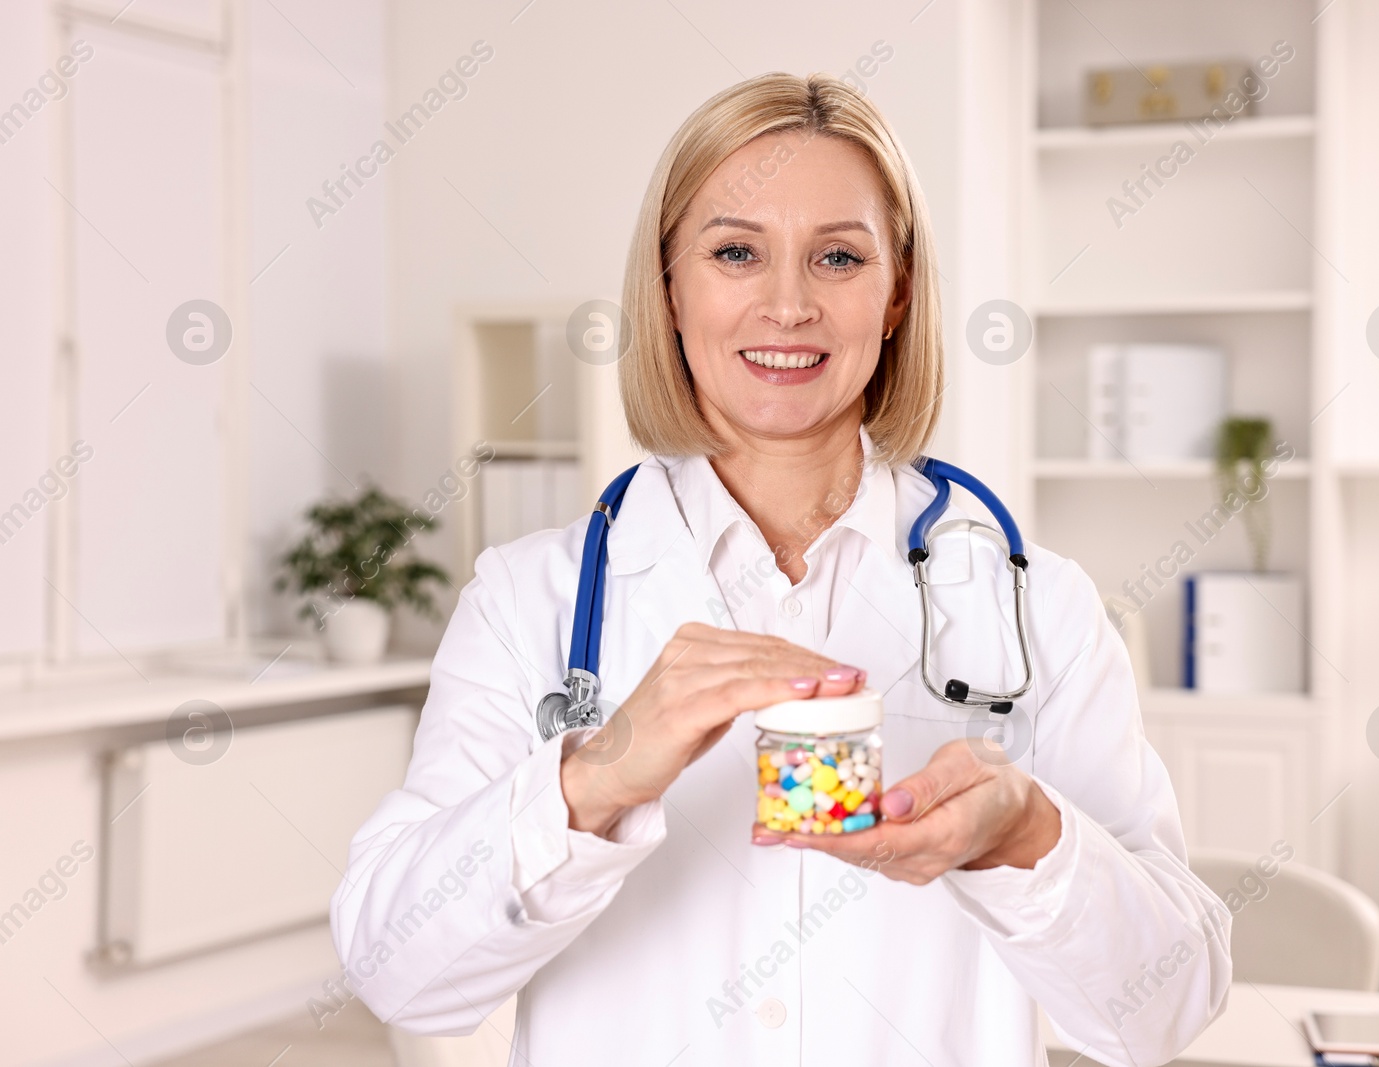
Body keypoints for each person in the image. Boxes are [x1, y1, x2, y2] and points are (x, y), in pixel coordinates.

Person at [332, 71, 1230, 1066]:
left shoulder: (1037, 607)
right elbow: (392, 966)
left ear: (895, 294)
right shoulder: (527, 602)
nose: (788, 303)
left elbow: (1167, 1008)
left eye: (838, 256)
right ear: (669, 288)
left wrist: (1024, 832)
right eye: (735, 252)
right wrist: (598, 771)